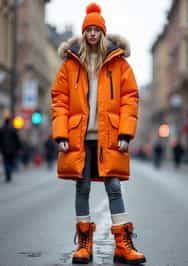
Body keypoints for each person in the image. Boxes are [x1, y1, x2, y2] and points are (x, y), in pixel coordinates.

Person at [51, 3, 146, 265]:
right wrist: (61, 136)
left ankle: (123, 245)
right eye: (88, 29)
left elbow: (130, 99)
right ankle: (84, 245)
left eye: (96, 29)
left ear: (102, 33)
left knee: (114, 187)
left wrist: (125, 133)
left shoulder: (119, 64)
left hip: (110, 136)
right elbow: (59, 100)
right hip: (78, 137)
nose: (92, 34)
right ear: (84, 33)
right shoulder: (70, 64)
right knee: (81, 187)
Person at [0, 117, 21, 182]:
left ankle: (7, 173)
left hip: (4, 149)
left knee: (6, 161)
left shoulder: (1, 129)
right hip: (12, 149)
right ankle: (9, 172)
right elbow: (17, 140)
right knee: (10, 162)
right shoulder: (13, 129)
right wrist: (19, 148)